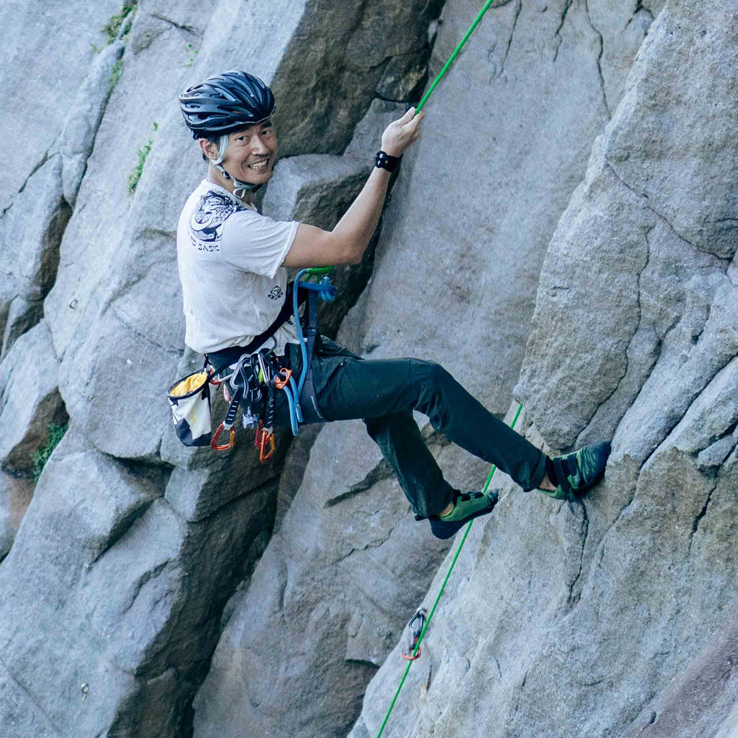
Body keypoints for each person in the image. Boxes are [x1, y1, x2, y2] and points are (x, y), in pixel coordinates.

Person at [174, 70, 609, 538]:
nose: (261, 146)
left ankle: (439, 506)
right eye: (242, 137)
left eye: (265, 129)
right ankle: (549, 477)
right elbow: (346, 248)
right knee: (426, 382)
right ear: (208, 148)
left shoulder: (214, 203)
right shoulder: (227, 227)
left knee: (385, 399)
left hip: (273, 361)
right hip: (280, 377)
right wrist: (387, 158)